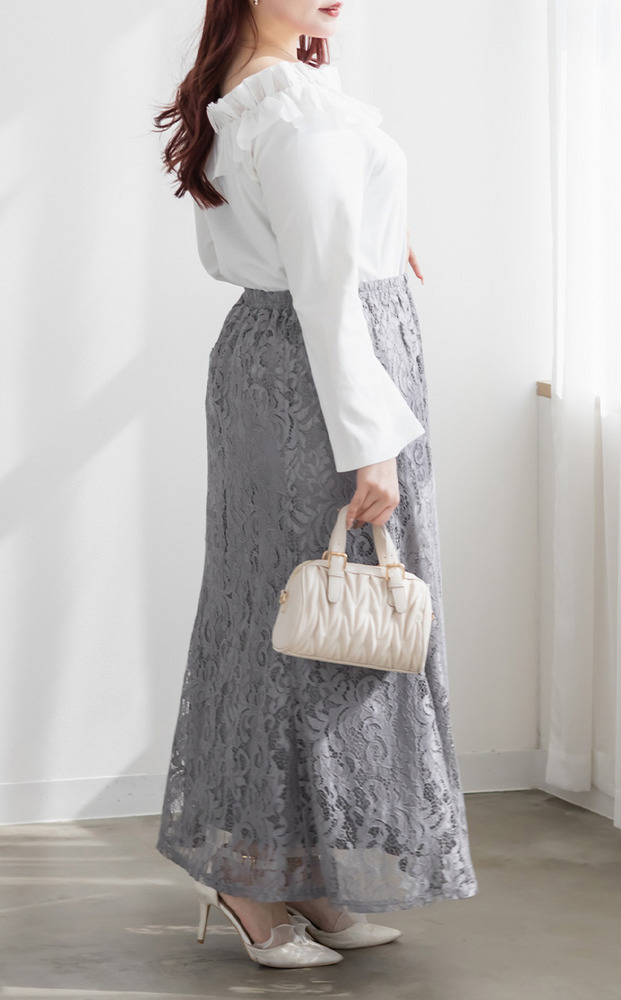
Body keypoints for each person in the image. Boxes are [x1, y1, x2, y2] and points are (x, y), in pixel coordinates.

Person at [152, 0, 478, 969]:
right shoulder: (290, 108)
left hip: (286, 366)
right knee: (305, 628)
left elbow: (314, 240)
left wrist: (380, 235)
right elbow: (327, 290)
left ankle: (297, 868)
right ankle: (251, 880)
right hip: (321, 382)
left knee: (286, 618)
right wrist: (371, 446)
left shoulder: (260, 91)